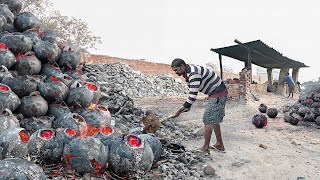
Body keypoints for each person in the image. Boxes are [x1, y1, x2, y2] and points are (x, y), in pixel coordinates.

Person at [170, 58, 228, 154]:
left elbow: (193, 96)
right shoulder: (188, 72)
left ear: (182, 66)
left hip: (218, 93)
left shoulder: (193, 74)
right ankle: (219, 144)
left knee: (208, 119)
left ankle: (205, 148)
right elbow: (192, 91)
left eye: (176, 70)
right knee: (214, 119)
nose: (175, 72)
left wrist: (179, 111)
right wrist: (188, 106)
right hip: (215, 93)